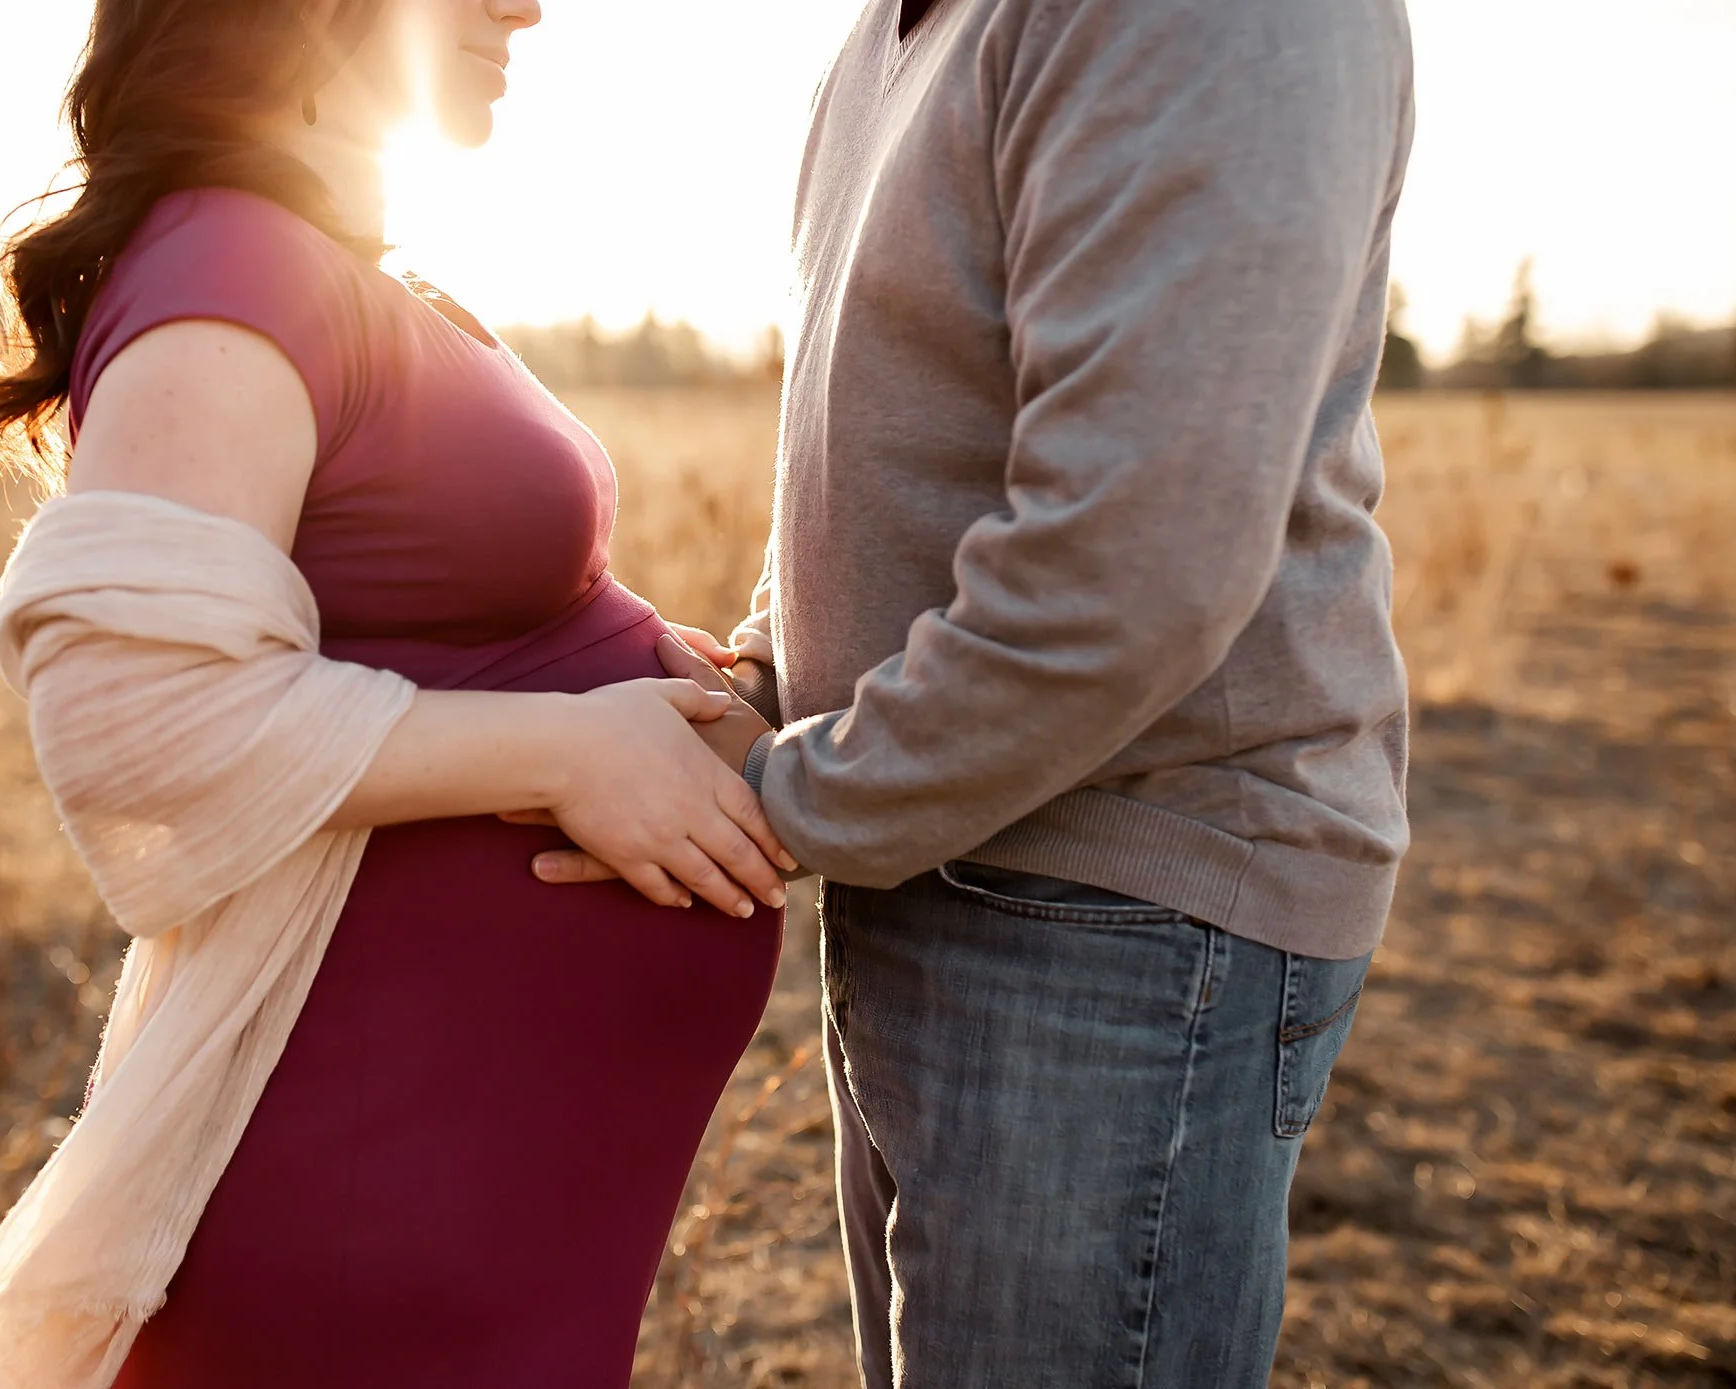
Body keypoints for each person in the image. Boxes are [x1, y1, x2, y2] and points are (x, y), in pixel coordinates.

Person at [535, 0, 1418, 1382]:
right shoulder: (884, 37)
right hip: (928, 844)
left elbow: (1138, 560)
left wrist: (776, 798)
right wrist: (765, 677)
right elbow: (896, 428)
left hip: (1119, 903)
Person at [0, 1, 796, 1384]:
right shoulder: (228, 271)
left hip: (476, 1190)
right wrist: (570, 752)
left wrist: (667, 675)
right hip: (375, 1184)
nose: (523, 4)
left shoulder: (328, 268)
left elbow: (431, 621)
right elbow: (134, 722)